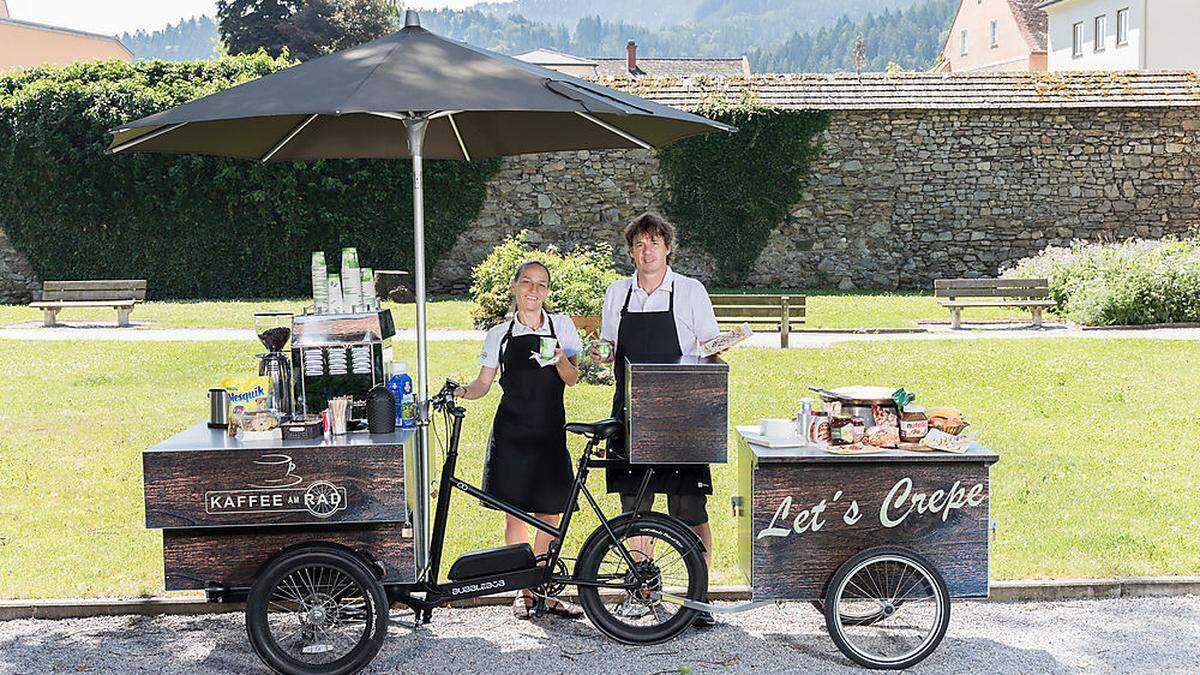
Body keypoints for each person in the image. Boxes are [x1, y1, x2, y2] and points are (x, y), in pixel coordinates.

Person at [589, 212, 722, 627]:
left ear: (668, 247)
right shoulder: (617, 293)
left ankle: (700, 596)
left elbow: (709, 346)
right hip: (630, 412)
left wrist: (725, 348)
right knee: (635, 507)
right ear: (631, 251)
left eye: (655, 242)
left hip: (682, 415)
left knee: (690, 507)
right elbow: (610, 347)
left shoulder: (690, 291)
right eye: (640, 244)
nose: (647, 251)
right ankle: (641, 590)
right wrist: (599, 353)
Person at [455, 260, 585, 620]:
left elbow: (573, 379)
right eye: (527, 282)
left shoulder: (562, 327)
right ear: (515, 287)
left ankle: (542, 587)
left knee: (551, 513)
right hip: (512, 432)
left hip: (549, 432)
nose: (533, 290)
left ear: (547, 291)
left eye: (541, 284)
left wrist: (560, 358)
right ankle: (521, 592)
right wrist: (462, 392)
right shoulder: (500, 333)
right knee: (515, 515)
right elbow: (483, 384)